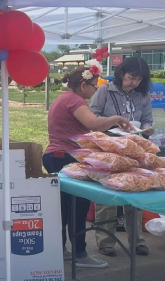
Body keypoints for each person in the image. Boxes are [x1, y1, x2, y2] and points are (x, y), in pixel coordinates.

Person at [43, 64, 133, 269]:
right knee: (78, 207)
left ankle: (61, 249)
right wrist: (117, 119)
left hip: (56, 156)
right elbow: (93, 123)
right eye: (93, 86)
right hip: (66, 157)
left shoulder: (63, 98)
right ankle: (80, 253)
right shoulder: (75, 100)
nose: (95, 91)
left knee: (63, 209)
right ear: (83, 85)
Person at [89, 56, 153, 257]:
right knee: (107, 195)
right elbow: (92, 116)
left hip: (134, 150)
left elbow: (148, 119)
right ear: (121, 73)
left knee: (135, 193)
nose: (133, 83)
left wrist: (146, 130)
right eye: (131, 77)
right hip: (108, 148)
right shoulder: (105, 91)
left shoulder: (142, 94)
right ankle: (105, 241)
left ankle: (137, 241)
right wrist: (113, 124)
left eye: (138, 79)